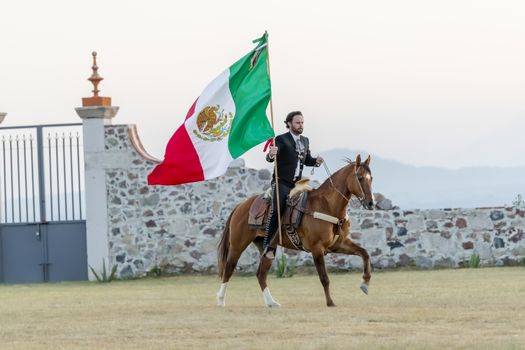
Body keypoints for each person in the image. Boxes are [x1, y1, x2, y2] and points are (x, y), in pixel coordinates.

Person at [263, 111, 323, 259]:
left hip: (298, 183)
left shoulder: (305, 140)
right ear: (289, 123)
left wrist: (316, 161)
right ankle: (269, 246)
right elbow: (269, 159)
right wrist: (271, 154)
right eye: (297, 122)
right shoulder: (281, 139)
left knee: (312, 201)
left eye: (302, 122)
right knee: (278, 210)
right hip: (282, 182)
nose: (300, 125)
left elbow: (306, 159)